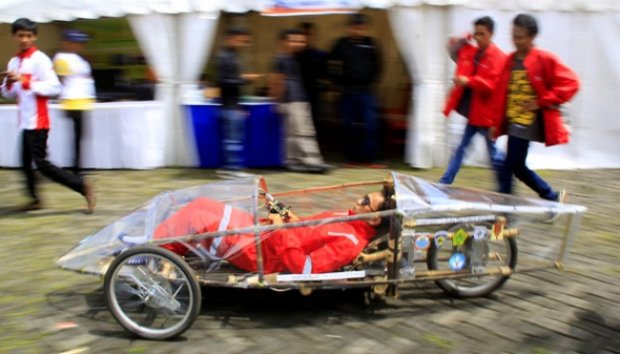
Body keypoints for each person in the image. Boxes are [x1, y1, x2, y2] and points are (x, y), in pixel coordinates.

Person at [154, 185, 396, 274]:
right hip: (264, 236)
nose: (359, 200)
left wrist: (280, 229)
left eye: (366, 202)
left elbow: (305, 267)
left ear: (374, 219)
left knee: (198, 217)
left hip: (262, 254)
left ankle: (153, 253)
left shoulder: (350, 241)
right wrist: (286, 215)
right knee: (203, 205)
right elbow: (307, 229)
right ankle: (162, 250)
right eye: (365, 196)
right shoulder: (348, 217)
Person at [1, 18, 95, 213]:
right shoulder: (14, 61)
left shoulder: (41, 60)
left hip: (38, 120)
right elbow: (9, 93)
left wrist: (24, 80)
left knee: (42, 164)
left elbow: (54, 87)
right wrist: (8, 83)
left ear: (34, 37)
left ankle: (81, 185)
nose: (25, 39)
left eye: (28, 35)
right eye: (21, 35)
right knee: (25, 163)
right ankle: (35, 199)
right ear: (15, 37)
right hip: (25, 121)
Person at [494, 14, 579, 210]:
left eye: (520, 37)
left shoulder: (544, 59)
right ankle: (552, 195)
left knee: (507, 168)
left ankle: (503, 216)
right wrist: (495, 122)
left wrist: (541, 101)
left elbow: (572, 82)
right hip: (513, 119)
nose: (515, 41)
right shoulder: (510, 60)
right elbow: (501, 93)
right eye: (513, 36)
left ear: (532, 37)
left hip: (527, 122)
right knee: (517, 167)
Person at [439, 16, 507, 185]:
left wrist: (468, 81)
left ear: (491, 34)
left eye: (482, 34)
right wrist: (466, 36)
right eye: (475, 33)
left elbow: (491, 85)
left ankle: (506, 181)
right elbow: (452, 47)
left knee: (493, 155)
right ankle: (445, 182)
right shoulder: (473, 52)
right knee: (461, 150)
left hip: (487, 116)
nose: (477, 38)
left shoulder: (498, 57)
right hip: (474, 113)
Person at [269, 28, 329, 173]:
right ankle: (313, 161)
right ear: (284, 42)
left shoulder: (292, 58)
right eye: (294, 40)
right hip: (293, 100)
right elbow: (277, 81)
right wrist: (277, 100)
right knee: (304, 131)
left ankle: (292, 161)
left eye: (301, 41)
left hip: (296, 99)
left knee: (292, 133)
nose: (299, 44)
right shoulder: (281, 59)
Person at [329, 13, 382, 165]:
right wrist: (336, 81)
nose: (358, 31)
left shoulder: (370, 43)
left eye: (361, 28)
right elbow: (330, 63)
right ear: (349, 28)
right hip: (347, 90)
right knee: (348, 125)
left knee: (371, 124)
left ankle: (370, 158)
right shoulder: (341, 44)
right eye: (355, 28)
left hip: (366, 91)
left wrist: (372, 80)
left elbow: (378, 65)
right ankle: (351, 157)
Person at [215, 27, 261, 177]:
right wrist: (245, 79)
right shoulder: (224, 57)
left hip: (233, 104)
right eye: (241, 40)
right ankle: (232, 169)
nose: (243, 44)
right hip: (229, 105)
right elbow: (223, 81)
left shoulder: (232, 56)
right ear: (231, 38)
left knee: (235, 139)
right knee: (232, 140)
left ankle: (231, 168)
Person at [53, 29, 96, 176]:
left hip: (82, 101)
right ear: (67, 43)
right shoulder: (62, 57)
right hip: (72, 101)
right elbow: (61, 80)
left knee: (81, 136)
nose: (79, 45)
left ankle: (77, 165)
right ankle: (76, 167)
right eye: (76, 42)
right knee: (77, 135)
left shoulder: (78, 59)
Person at [295, 22, 328, 134]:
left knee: (312, 124)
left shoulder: (318, 55)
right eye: (303, 34)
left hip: (312, 95)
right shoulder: (293, 55)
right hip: (296, 96)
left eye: (309, 34)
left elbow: (324, 74)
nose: (306, 37)